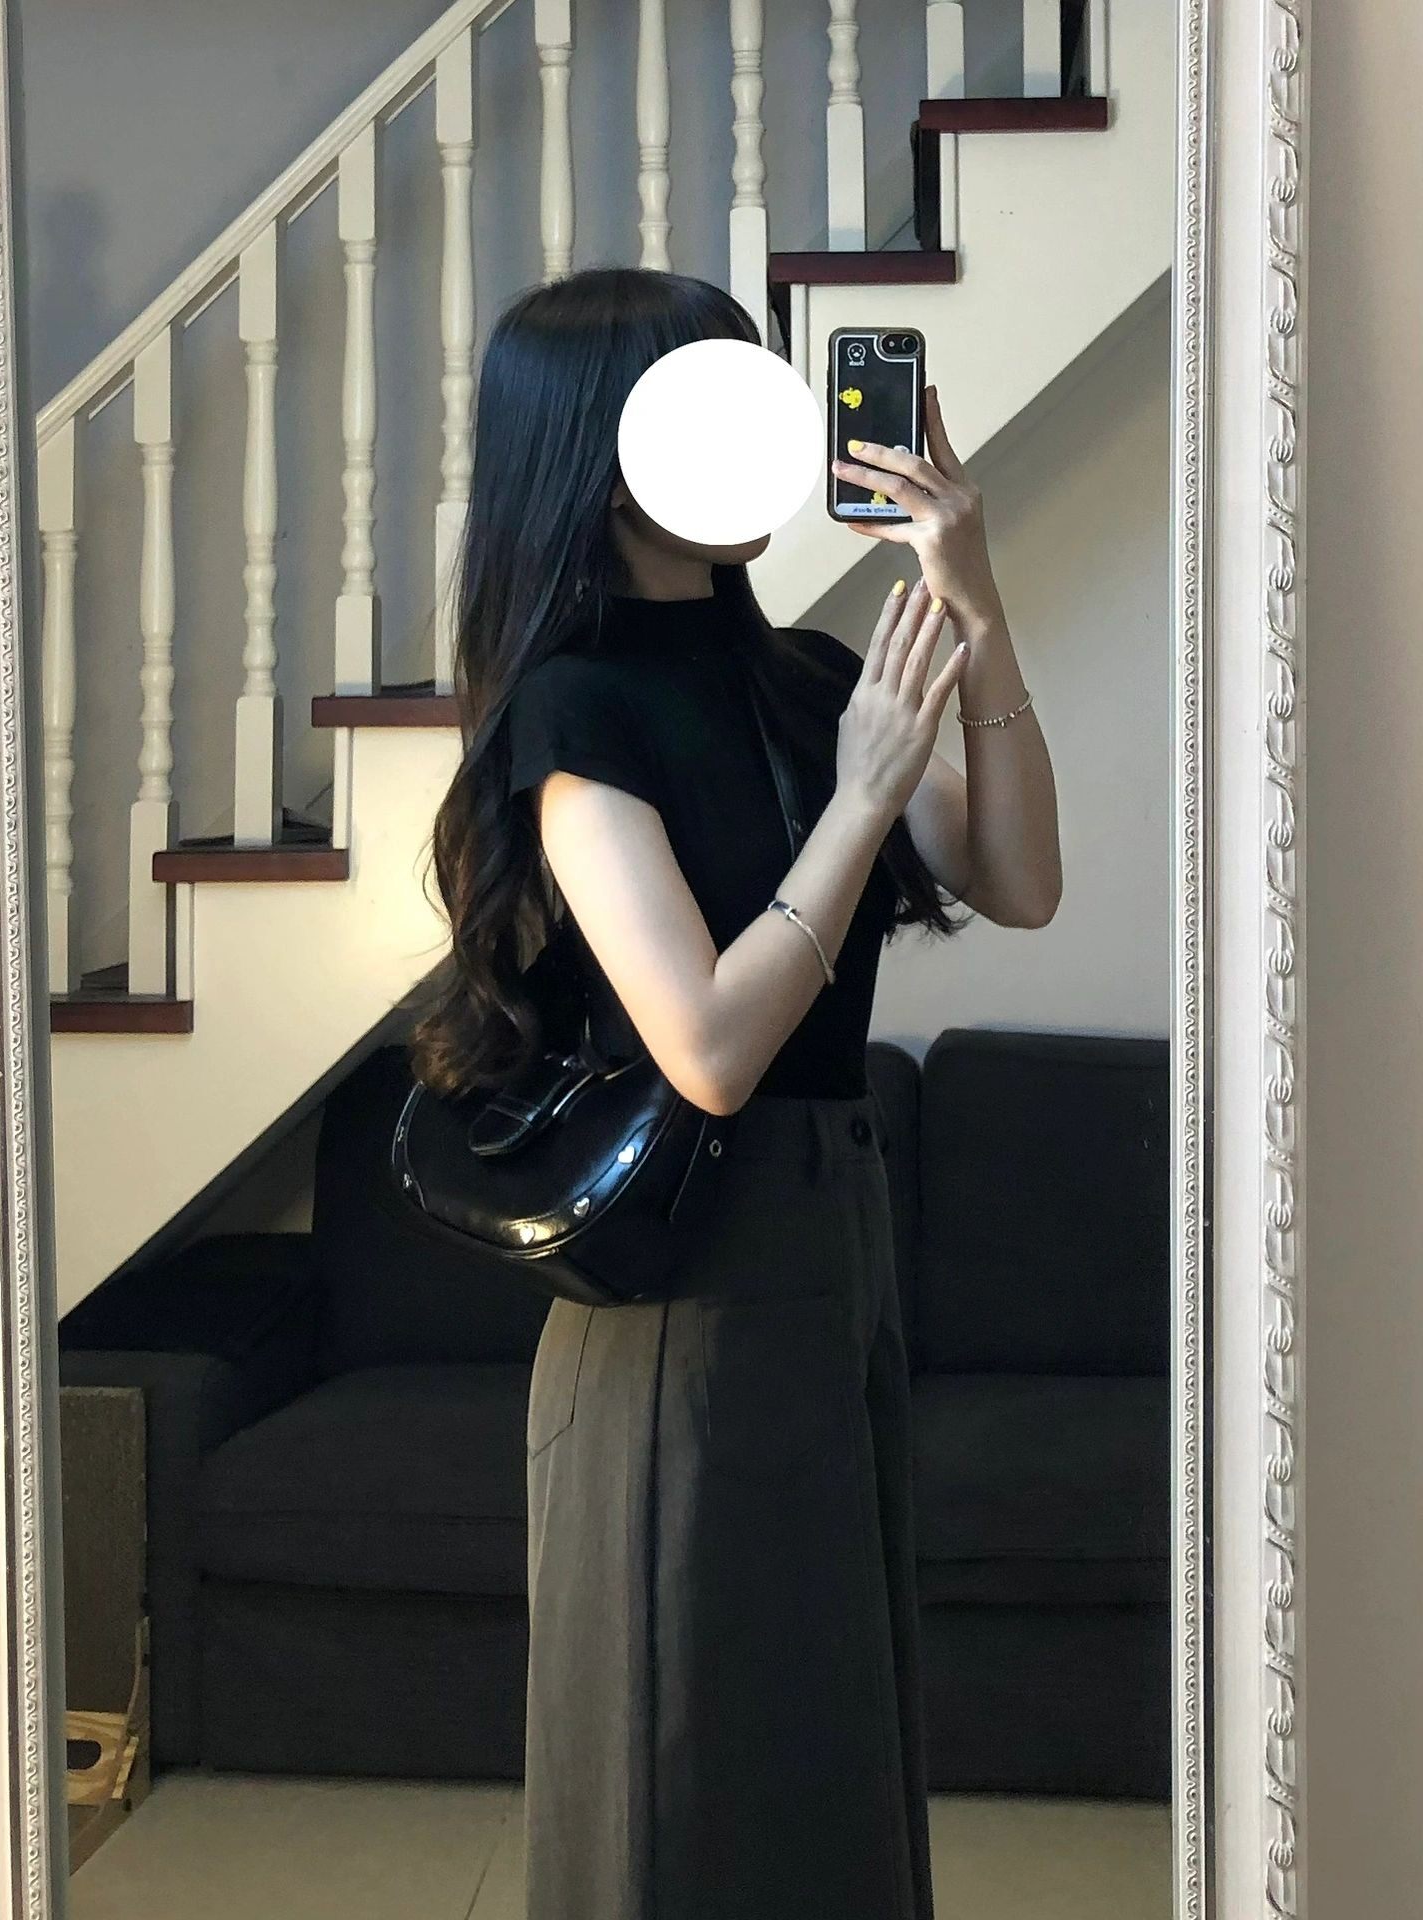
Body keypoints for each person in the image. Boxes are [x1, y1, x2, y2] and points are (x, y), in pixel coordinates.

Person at [407, 265, 1061, 1920]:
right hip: (680, 1297)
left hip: (833, 1264)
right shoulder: (573, 713)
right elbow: (705, 1047)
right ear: (606, 452)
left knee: (824, 1751)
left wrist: (975, 599)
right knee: (678, 1776)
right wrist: (855, 808)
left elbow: (1022, 877)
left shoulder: (812, 677)